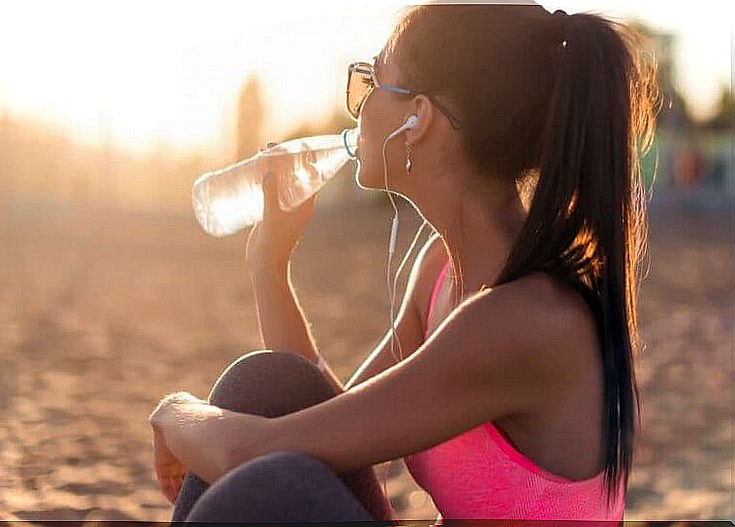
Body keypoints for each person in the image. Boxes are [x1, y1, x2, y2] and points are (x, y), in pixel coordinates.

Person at [152, 2, 660, 523]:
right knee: (267, 383)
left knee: (268, 485)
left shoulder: (526, 321)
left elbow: (254, 455)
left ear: (418, 119)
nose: (360, 105)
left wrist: (174, 412)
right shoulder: (442, 266)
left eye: (373, 80)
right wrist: (269, 264)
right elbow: (322, 422)